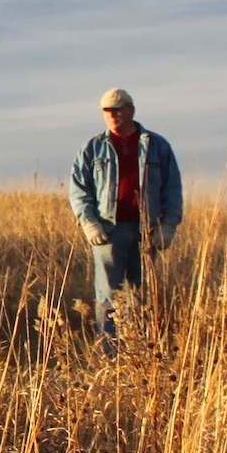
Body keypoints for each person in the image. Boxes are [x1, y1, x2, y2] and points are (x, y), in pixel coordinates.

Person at [68, 88, 184, 346]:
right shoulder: (92, 148)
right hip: (108, 231)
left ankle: (140, 351)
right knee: (108, 295)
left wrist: (168, 225)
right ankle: (111, 354)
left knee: (140, 293)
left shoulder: (156, 146)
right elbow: (78, 190)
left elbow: (173, 188)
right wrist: (89, 222)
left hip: (147, 231)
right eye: (107, 111)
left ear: (131, 110)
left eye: (118, 109)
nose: (113, 115)